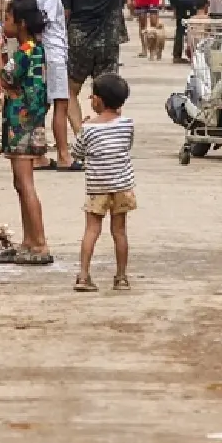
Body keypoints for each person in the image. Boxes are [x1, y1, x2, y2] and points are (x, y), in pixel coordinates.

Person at [0, 0, 54, 266]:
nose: (4, 23)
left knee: (25, 183)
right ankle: (28, 241)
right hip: (26, 120)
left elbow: (6, 78)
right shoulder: (34, 49)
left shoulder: (26, 51)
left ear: (22, 23)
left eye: (8, 18)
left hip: (22, 123)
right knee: (20, 182)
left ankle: (39, 243)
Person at [65, 0, 144, 133]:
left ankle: (81, 135)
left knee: (70, 90)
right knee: (109, 92)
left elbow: (65, 13)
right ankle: (107, 134)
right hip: (109, 38)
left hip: (78, 39)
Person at [73, 72, 136, 292]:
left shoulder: (89, 129)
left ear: (98, 100)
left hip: (97, 187)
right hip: (122, 185)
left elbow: (77, 153)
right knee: (119, 231)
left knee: (92, 230)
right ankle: (121, 277)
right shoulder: (127, 124)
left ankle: (83, 275)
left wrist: (82, 129)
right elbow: (126, 146)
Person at [39, 0, 74, 170]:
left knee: (46, 104)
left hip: (52, 55)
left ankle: (39, 153)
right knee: (61, 104)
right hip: (54, 55)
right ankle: (63, 155)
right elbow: (44, 26)